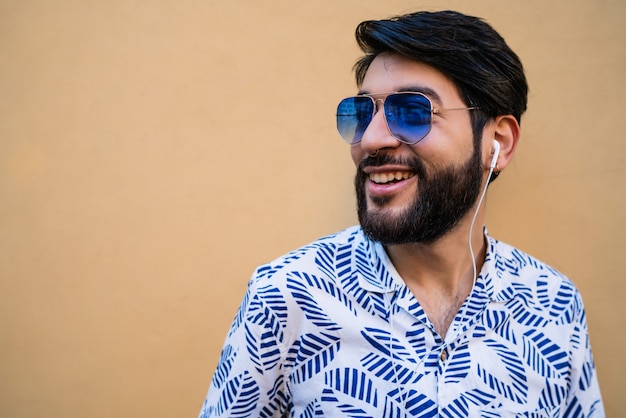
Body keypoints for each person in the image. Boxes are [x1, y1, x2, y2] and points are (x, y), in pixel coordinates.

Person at [198, 10, 604, 417]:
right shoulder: (288, 297)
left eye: (412, 112)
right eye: (360, 113)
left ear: (497, 142)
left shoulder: (555, 306)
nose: (371, 140)